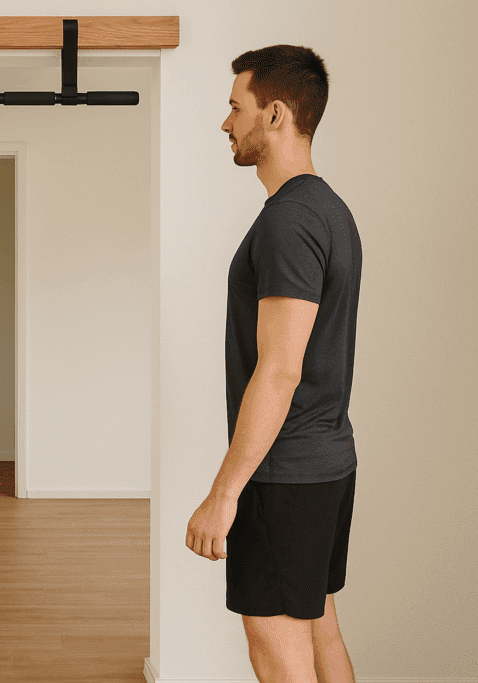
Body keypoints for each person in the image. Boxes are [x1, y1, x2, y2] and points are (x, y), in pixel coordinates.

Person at [186, 45, 360, 683]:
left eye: (237, 107)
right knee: (318, 628)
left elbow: (280, 368)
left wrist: (222, 495)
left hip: (285, 474)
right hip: (325, 462)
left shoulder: (290, 221)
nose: (226, 122)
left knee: (277, 646)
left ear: (277, 114)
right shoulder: (327, 210)